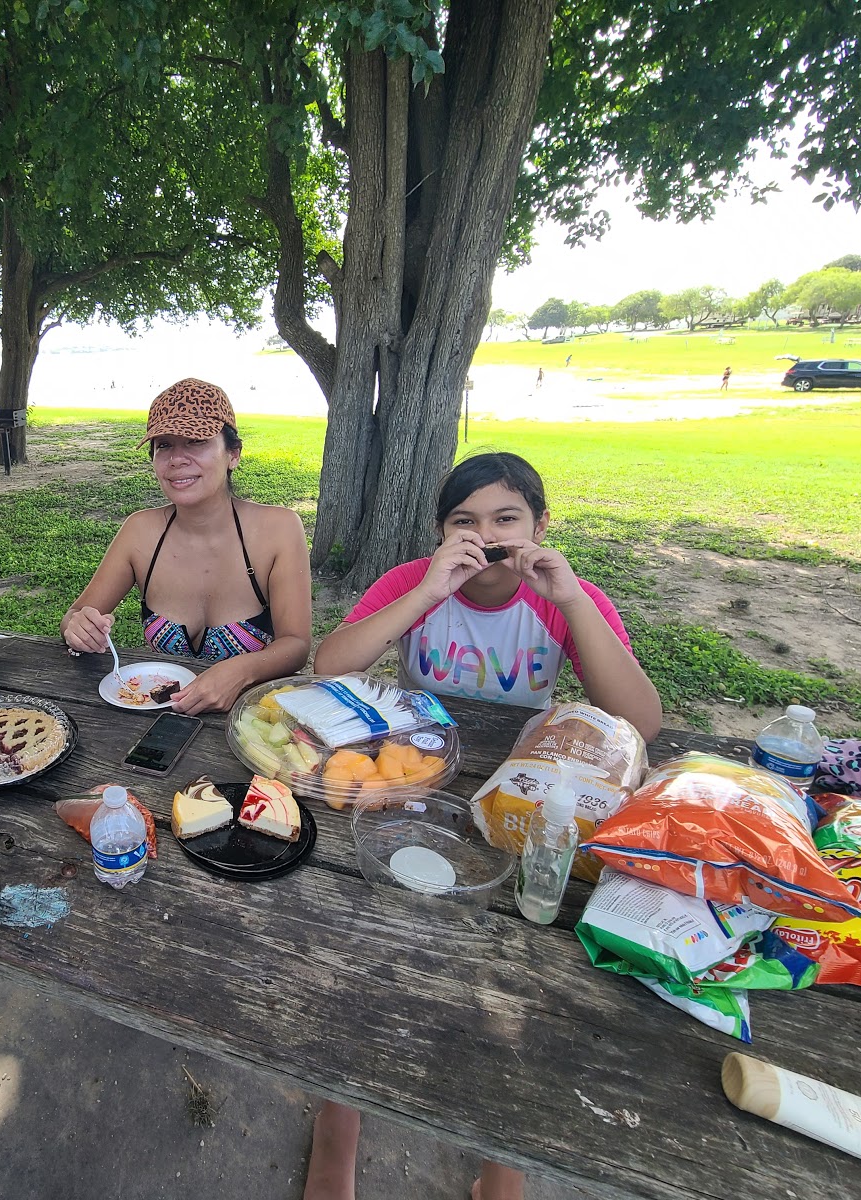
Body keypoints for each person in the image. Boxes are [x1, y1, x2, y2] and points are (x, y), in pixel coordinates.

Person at [304, 452, 662, 1200]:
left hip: (518, 803)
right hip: (412, 788)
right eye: (464, 522)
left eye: (507, 519)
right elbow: (329, 667)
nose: (486, 536)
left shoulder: (563, 596)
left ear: (540, 527)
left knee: (517, 970)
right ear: (441, 533)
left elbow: (641, 722)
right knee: (374, 945)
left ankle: (504, 1159)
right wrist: (432, 586)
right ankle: (340, 1120)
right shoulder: (416, 583)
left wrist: (575, 602)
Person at [62, 378, 311, 713]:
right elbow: (75, 616)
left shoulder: (277, 529)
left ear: (232, 454)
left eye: (195, 441)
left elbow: (296, 644)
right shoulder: (140, 532)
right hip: (154, 722)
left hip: (248, 723)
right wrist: (78, 628)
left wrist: (242, 669)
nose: (177, 459)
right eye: (164, 445)